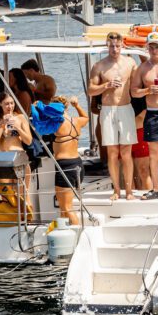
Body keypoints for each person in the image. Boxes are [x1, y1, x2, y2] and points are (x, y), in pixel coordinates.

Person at [89, 31, 137, 200]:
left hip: (125, 107)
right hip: (108, 109)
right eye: (111, 46)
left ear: (122, 45)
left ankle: (129, 191)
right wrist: (107, 85)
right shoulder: (99, 66)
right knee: (112, 152)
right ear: (107, 46)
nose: (114, 49)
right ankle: (116, 190)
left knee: (126, 152)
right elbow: (90, 90)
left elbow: (140, 81)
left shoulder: (130, 63)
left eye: (117, 46)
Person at [131, 31, 158, 200]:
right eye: (151, 46)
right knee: (154, 153)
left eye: (157, 46)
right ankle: (156, 189)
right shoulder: (143, 68)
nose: (154, 50)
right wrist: (148, 90)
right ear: (147, 47)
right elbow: (134, 92)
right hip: (153, 114)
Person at [0, 92, 34, 213]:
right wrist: (2, 126)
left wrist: (18, 128)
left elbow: (29, 141)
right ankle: (12, 221)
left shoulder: (20, 118)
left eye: (11, 103)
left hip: (19, 156)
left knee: (23, 192)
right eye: (6, 104)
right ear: (0, 104)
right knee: (6, 192)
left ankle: (28, 220)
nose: (9, 106)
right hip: (3, 158)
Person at [52, 95, 89, 225]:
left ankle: (78, 235)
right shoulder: (76, 121)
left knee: (67, 208)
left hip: (65, 166)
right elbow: (86, 118)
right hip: (77, 163)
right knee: (63, 208)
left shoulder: (57, 122)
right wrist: (77, 106)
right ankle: (66, 233)